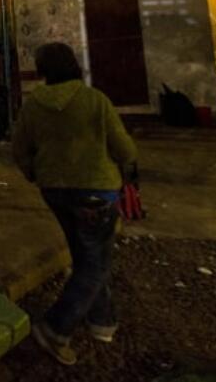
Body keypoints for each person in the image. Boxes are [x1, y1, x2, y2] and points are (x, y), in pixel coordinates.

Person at [11, 42, 139, 367]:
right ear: (73, 65)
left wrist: (34, 173)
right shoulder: (95, 101)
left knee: (87, 257)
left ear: (43, 71)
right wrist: (128, 168)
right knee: (95, 264)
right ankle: (55, 328)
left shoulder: (32, 106)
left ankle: (102, 322)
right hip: (95, 192)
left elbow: (20, 150)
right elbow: (124, 148)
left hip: (54, 191)